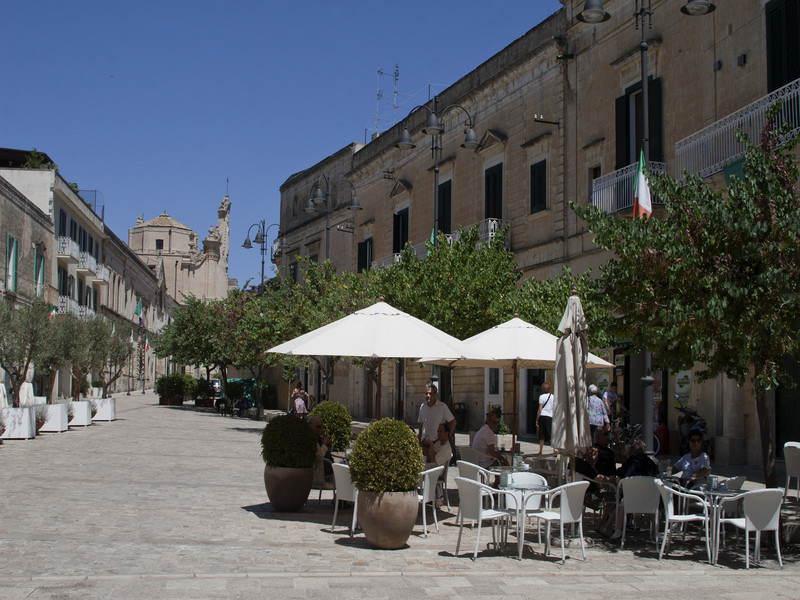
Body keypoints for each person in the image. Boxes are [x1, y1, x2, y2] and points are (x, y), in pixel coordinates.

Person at [423, 422, 453, 507]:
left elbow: (433, 459)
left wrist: (431, 445)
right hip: (431, 466)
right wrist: (426, 447)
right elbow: (429, 457)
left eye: (441, 431)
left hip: (436, 470)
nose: (438, 434)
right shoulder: (439, 443)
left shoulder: (447, 448)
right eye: (438, 431)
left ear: (446, 433)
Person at [309, 416, 334, 488]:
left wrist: (328, 444)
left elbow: (326, 451)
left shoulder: (318, 437)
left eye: (321, 427)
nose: (321, 429)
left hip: (328, 466)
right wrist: (324, 444)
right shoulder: (311, 439)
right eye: (318, 427)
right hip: (320, 470)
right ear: (311, 427)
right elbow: (319, 455)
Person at [535, 381, 554, 455]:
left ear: (543, 389)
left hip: (543, 416)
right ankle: (554, 449)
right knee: (551, 434)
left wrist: (537, 419)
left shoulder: (541, 397)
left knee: (542, 435)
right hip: (550, 416)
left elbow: (540, 409)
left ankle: (540, 451)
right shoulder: (553, 397)